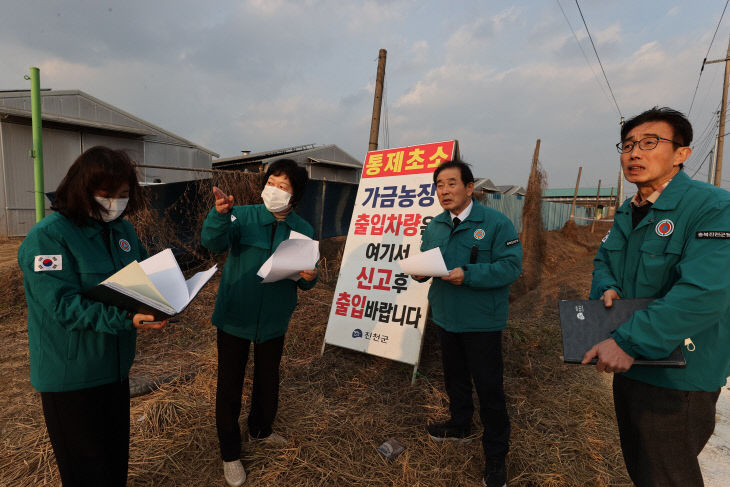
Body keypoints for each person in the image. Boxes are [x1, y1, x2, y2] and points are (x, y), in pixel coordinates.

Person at [583, 107, 730, 486]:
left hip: (679, 373)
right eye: (628, 144)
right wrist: (606, 288)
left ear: (682, 153)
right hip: (631, 362)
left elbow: (704, 293)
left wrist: (629, 340)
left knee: (668, 475)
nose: (635, 153)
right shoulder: (628, 211)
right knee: (643, 468)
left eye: (650, 143)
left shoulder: (713, 208)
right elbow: (605, 260)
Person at [17, 146, 166, 487]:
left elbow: (143, 277)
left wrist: (165, 298)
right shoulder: (49, 236)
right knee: (86, 470)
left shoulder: (123, 232)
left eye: (124, 194)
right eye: (106, 194)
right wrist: (127, 319)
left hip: (113, 367)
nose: (116, 202)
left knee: (114, 462)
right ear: (82, 188)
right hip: (71, 374)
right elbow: (62, 305)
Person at [201, 158, 318, 487]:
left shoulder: (303, 230)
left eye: (284, 187)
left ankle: (261, 429)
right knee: (230, 384)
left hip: (274, 318)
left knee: (268, 379)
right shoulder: (243, 215)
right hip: (235, 315)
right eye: (272, 183)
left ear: (295, 195)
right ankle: (230, 453)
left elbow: (304, 282)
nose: (275, 191)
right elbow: (212, 243)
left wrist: (311, 276)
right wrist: (219, 215)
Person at [413, 159, 522, 487]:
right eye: (438, 185)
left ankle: (495, 456)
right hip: (446, 316)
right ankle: (460, 424)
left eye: (451, 183)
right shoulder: (435, 226)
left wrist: (470, 274)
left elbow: (511, 267)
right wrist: (419, 271)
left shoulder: (495, 223)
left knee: (489, 388)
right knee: (455, 378)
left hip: (482, 322)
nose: (443, 191)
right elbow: (426, 259)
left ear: (469, 187)